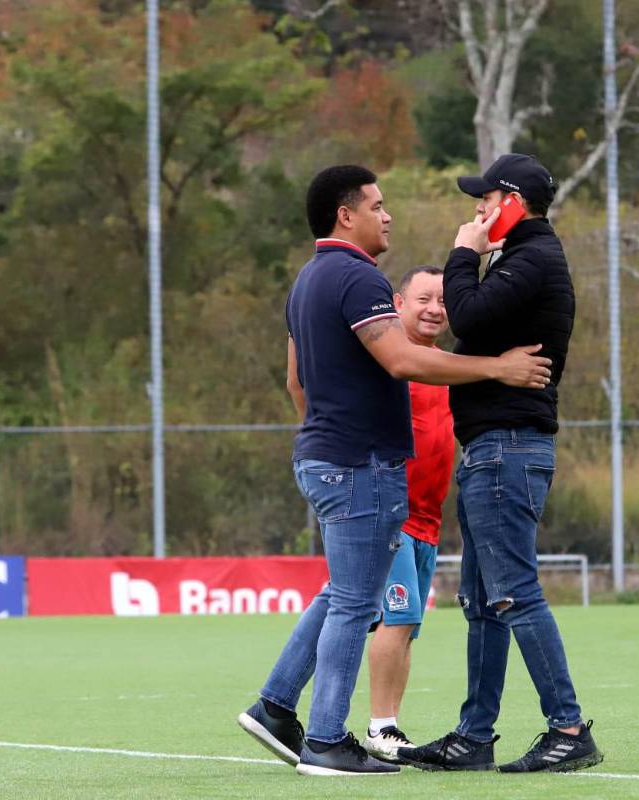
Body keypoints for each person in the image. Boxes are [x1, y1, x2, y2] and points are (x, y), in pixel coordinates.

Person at [236, 164, 552, 777]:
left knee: (341, 593)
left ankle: (276, 707)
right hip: (360, 464)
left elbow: (295, 380)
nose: (389, 216)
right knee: (357, 604)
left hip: (326, 456)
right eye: (377, 205)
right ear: (344, 215)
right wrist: (498, 368)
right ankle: (327, 739)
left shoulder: (306, 280)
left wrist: (323, 432)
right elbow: (404, 359)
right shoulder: (356, 277)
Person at [398, 154, 603, 773]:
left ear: (513, 202)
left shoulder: (533, 257)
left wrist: (465, 252)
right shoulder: (523, 258)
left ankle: (568, 729)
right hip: (495, 449)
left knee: (513, 594)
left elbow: (468, 315)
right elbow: (481, 324)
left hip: (507, 449)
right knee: (483, 601)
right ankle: (475, 736)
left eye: (485, 199)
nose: (477, 211)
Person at [362, 265, 454, 763]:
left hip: (429, 520)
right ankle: (379, 725)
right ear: (399, 302)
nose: (434, 308)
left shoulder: (446, 366)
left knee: (408, 626)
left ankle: (389, 729)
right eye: (424, 298)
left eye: (441, 300)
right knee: (395, 620)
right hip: (391, 515)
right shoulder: (390, 362)